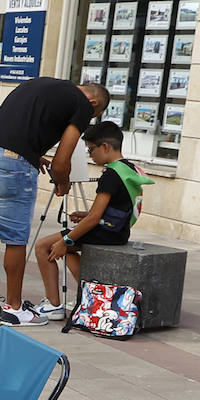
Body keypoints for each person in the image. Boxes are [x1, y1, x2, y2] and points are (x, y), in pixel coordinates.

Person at [0, 77, 108, 326]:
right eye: (95, 114)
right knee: (15, 238)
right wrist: (62, 182)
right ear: (93, 102)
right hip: (12, 161)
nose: (89, 118)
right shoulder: (83, 104)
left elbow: (15, 127)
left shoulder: (40, 84)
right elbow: (62, 161)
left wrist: (32, 155)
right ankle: (14, 308)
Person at [31, 121, 153, 319]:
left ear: (104, 146)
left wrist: (66, 240)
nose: (90, 155)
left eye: (91, 149)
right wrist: (85, 216)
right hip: (117, 231)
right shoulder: (128, 169)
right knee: (65, 251)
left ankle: (53, 304)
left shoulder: (110, 176)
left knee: (43, 247)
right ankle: (91, 295)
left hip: (104, 232)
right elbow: (119, 206)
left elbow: (95, 218)